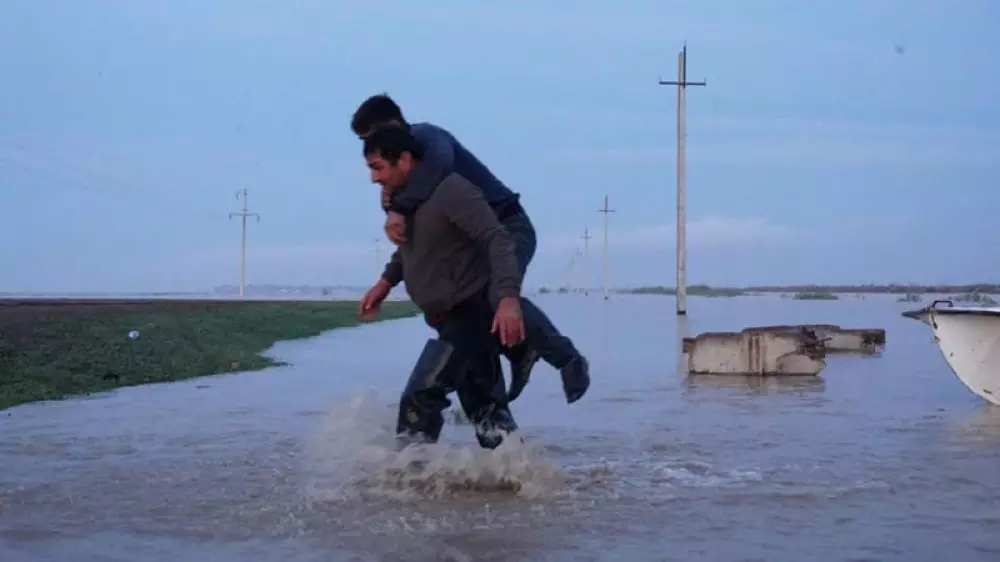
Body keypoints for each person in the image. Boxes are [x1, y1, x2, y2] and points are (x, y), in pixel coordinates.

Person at [352, 93, 590, 404]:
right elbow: (417, 244)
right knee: (468, 320)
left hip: (507, 225)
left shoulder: (430, 141)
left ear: (394, 125)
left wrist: (399, 206)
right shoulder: (411, 187)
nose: (369, 146)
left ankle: (566, 359)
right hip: (470, 239)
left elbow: (439, 165)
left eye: (373, 137)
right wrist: (387, 280)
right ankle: (502, 384)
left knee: (497, 293)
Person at [359, 126, 521, 449]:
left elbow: (497, 239)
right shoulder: (408, 202)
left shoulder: (451, 190)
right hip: (447, 320)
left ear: (404, 160)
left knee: (421, 397)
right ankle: (521, 475)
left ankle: (407, 476)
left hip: (471, 313)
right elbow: (412, 250)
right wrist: (386, 282)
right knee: (489, 415)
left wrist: (508, 299)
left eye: (378, 168)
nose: (373, 179)